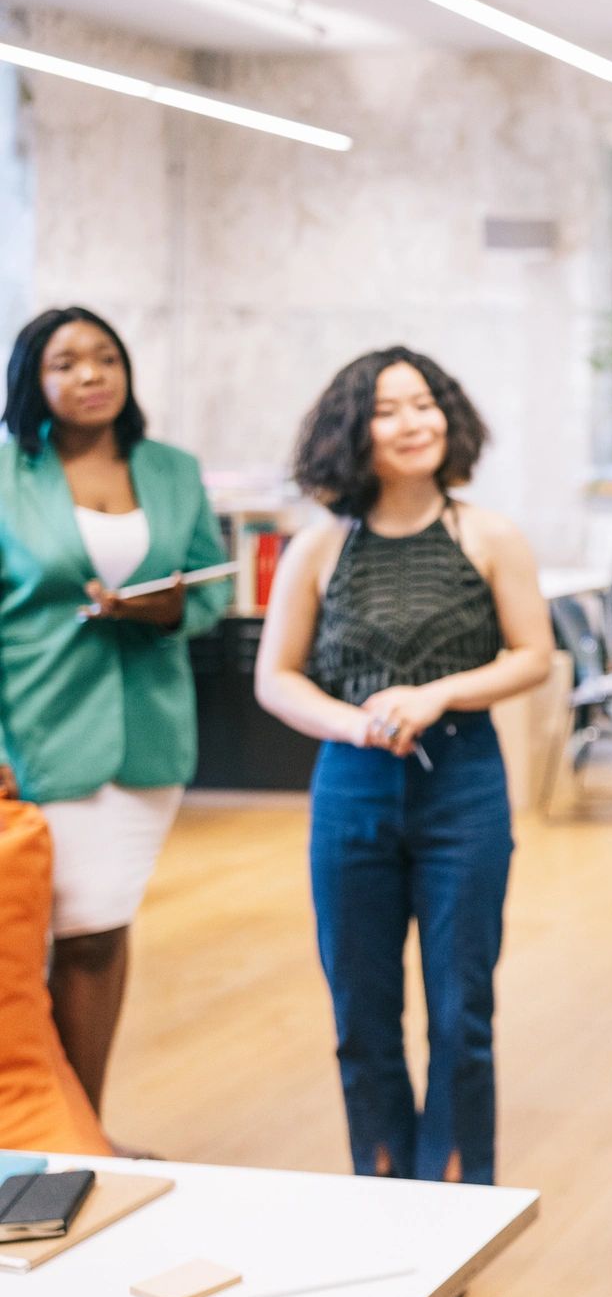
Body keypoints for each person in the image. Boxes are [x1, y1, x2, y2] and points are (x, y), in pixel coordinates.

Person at [254, 347, 553, 1185]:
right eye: (389, 410)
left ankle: (456, 1205)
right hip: (351, 786)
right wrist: (354, 724)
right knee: (362, 1015)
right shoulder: (319, 547)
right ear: (354, 431)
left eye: (425, 403)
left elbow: (534, 656)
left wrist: (437, 695)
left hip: (462, 783)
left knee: (463, 1016)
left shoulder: (488, 535)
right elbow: (275, 677)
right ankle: (382, 1193)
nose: (414, 423)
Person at [0, 306, 231, 1121]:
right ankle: (40, 1127)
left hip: (149, 728)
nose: (91, 375)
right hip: (35, 727)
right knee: (32, 939)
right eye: (67, 363)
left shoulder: (171, 469)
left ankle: (79, 1131)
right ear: (34, 377)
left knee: (100, 928)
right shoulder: (5, 476)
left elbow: (214, 585)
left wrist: (166, 611)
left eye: (106, 358)